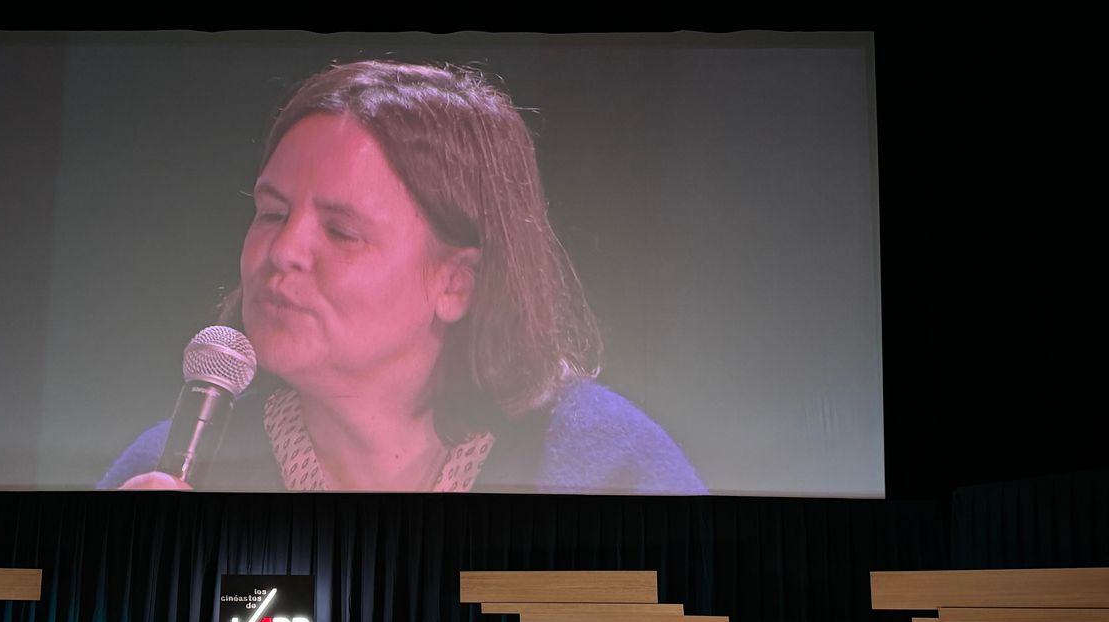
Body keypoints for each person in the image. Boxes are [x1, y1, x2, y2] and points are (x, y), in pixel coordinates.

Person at [102, 59, 705, 496]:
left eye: (342, 231)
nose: (283, 250)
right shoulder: (164, 469)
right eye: (271, 213)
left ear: (456, 284)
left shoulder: (607, 467)